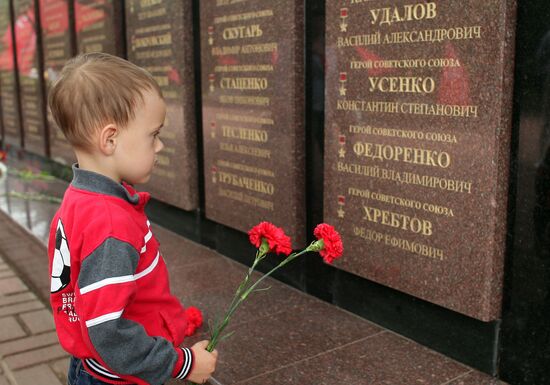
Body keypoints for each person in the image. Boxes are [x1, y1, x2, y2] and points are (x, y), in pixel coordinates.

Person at [47, 52, 218, 385]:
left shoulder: (81, 199)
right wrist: (182, 364)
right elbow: (109, 331)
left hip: (94, 367)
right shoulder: (110, 225)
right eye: (152, 135)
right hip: (117, 377)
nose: (159, 146)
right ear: (110, 139)